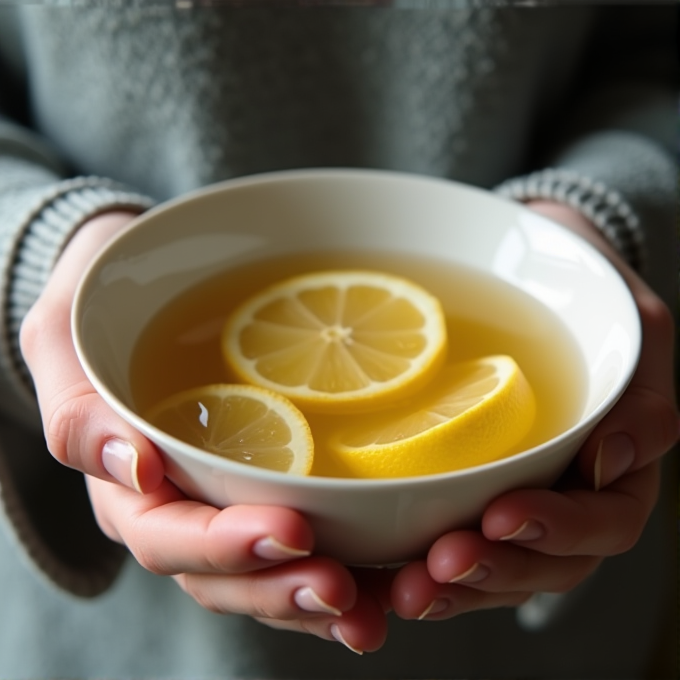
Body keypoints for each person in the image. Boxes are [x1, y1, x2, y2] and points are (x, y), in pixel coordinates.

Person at [0, 4, 677, 679]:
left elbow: (657, 57)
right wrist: (50, 255)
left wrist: (592, 224)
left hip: (540, 645)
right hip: (117, 644)